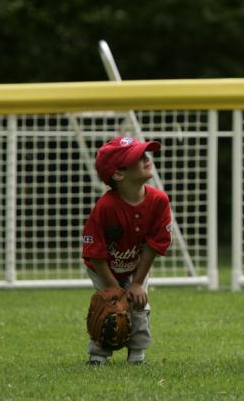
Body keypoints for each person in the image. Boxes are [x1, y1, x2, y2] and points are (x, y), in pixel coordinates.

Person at [82, 135, 172, 365]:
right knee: (109, 307)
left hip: (136, 265)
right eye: (137, 157)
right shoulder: (105, 207)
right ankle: (98, 356)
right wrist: (114, 288)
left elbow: (154, 245)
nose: (146, 158)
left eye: (145, 153)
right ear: (119, 174)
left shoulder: (159, 201)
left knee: (140, 304)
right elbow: (96, 253)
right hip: (103, 268)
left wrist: (137, 282)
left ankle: (137, 355)